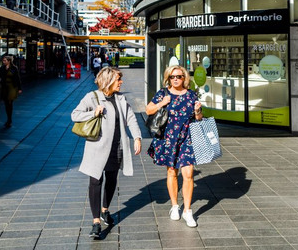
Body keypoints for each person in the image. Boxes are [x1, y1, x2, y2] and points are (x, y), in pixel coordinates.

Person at [71, 67, 142, 239]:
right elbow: (75, 115)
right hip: (96, 148)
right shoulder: (92, 97)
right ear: (109, 80)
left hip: (116, 147)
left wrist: (137, 137)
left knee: (111, 180)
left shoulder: (121, 98)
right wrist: (93, 113)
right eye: (118, 79)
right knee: (95, 182)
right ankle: (96, 222)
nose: (121, 82)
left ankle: (104, 210)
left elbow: (131, 118)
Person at [146, 65, 203, 228]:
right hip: (168, 138)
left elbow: (198, 119)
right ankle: (174, 206)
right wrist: (162, 103)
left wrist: (198, 111)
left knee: (189, 173)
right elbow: (148, 110)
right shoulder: (163, 94)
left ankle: (187, 211)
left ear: (184, 78)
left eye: (179, 76)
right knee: (172, 171)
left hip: (187, 138)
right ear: (168, 78)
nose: (176, 79)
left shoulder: (192, 95)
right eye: (172, 77)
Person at [0, 55, 21, 128]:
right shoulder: (2, 68)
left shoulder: (14, 68)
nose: (3, 62)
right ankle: (8, 118)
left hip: (12, 87)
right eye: (3, 60)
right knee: (6, 103)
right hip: (4, 87)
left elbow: (17, 78)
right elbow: (1, 76)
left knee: (9, 102)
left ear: (9, 61)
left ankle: (9, 119)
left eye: (5, 60)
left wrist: (19, 88)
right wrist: (5, 70)